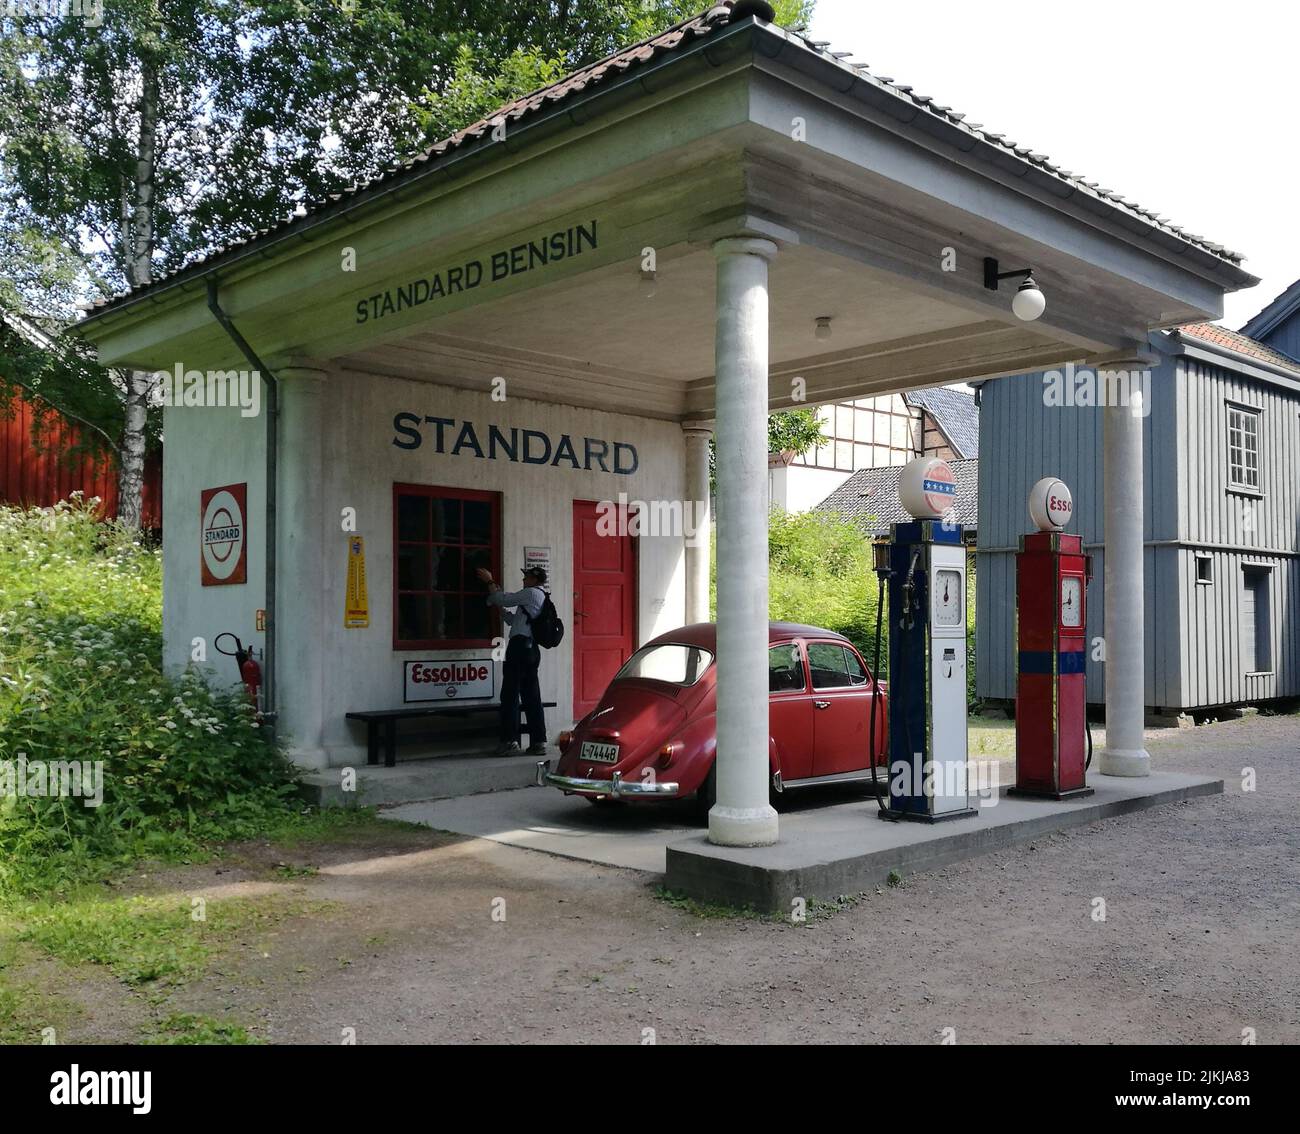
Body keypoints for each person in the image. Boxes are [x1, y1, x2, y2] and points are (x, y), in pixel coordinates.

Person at [476, 564, 548, 756]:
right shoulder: (536, 598)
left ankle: (509, 742)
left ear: (534, 580)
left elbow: (504, 599)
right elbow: (512, 619)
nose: (523, 580)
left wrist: (490, 582)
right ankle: (538, 741)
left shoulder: (531, 593)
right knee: (532, 697)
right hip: (530, 649)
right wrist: (499, 603)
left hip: (520, 649)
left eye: (526, 578)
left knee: (509, 695)